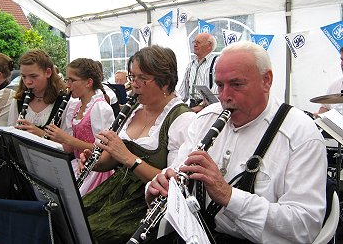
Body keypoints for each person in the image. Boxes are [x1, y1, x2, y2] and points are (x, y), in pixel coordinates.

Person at [147, 41, 327, 243]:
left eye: (236, 85)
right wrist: (160, 186)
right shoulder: (205, 119)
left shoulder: (301, 135)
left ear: (266, 81)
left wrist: (229, 196)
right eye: (220, 85)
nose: (224, 97)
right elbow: (175, 170)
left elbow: (304, 227)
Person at [79, 45, 196, 243]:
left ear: (165, 82)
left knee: (92, 233)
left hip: (146, 204)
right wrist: (96, 162)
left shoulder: (183, 119)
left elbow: (174, 186)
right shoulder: (133, 108)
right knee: (70, 218)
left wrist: (128, 157)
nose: (134, 85)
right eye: (133, 77)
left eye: (142, 78)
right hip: (115, 192)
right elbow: (112, 160)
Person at [44, 58, 115, 196]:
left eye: (72, 80)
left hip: (96, 171)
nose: (67, 85)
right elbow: (71, 148)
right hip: (78, 165)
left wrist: (67, 139)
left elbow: (104, 150)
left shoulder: (100, 108)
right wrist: (51, 139)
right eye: (67, 80)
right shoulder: (75, 106)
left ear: (89, 82)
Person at [7, 49, 67, 136]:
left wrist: (40, 133)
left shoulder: (65, 102)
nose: (28, 82)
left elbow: (68, 144)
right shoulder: (19, 99)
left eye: (33, 76)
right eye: (23, 76)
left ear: (48, 72)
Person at [178, 33, 218, 113]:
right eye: (194, 42)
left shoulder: (217, 63)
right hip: (192, 106)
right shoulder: (191, 65)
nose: (194, 45)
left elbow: (216, 93)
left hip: (210, 109)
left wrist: (201, 106)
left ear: (209, 45)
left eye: (198, 42)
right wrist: (176, 106)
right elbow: (183, 92)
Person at [316, 46, 343, 116]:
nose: (342, 64)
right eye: (342, 60)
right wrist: (321, 117)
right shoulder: (335, 85)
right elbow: (325, 107)